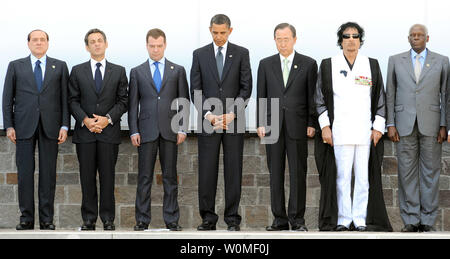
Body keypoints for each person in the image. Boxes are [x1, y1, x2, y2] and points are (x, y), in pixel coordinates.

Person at [315, 22, 392, 232]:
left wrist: (378, 127)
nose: (351, 40)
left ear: (360, 40)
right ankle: (343, 218)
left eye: (355, 36)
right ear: (341, 40)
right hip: (339, 131)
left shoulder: (371, 64)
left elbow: (380, 100)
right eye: (347, 36)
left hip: (364, 132)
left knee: (363, 178)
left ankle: (359, 219)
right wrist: (325, 127)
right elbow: (319, 99)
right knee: (341, 178)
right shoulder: (329, 64)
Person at [2, 29, 70, 230]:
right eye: (35, 40)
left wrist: (65, 125)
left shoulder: (60, 66)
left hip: (51, 126)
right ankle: (26, 218)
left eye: (42, 40)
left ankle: (47, 219)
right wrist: (9, 125)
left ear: (48, 43)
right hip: (23, 126)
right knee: (24, 173)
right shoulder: (15, 66)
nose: (38, 43)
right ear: (28, 43)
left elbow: (65, 99)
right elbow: (7, 99)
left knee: (48, 174)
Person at [190, 14, 252, 231]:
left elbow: (246, 88)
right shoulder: (199, 55)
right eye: (215, 32)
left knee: (233, 171)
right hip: (209, 122)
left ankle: (233, 219)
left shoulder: (242, 53)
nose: (218, 36)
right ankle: (208, 218)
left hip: (234, 122)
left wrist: (233, 113)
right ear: (210, 30)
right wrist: (209, 115)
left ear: (230, 31)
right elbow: (195, 90)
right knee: (207, 171)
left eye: (222, 32)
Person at [386, 24, 449, 232]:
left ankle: (428, 220)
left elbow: (446, 96)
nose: (416, 38)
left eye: (420, 35)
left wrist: (444, 124)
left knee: (430, 173)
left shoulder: (442, 61)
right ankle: (411, 219)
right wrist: (390, 123)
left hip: (432, 125)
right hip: (404, 124)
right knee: (406, 172)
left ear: (427, 38)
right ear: (408, 38)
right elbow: (390, 93)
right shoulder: (395, 60)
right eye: (412, 35)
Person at [256, 23, 317, 231]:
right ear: (274, 40)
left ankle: (297, 220)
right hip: (272, 125)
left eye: (286, 39)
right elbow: (261, 96)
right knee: (275, 174)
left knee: (298, 173)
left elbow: (312, 97)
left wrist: (312, 122)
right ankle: (279, 219)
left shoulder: (308, 64)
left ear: (295, 39)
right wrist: (260, 123)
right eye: (278, 39)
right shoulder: (265, 64)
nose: (282, 43)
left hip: (298, 125)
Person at [128, 28, 190, 231]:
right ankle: (142, 220)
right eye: (152, 46)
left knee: (170, 177)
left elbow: (183, 101)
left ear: (165, 45)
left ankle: (172, 220)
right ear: (147, 46)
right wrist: (134, 130)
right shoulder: (137, 72)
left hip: (170, 130)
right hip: (145, 131)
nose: (155, 49)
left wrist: (182, 128)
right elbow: (132, 104)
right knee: (144, 177)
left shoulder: (178, 70)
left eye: (159, 45)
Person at [68, 29, 128, 231]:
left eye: (99, 41)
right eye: (92, 42)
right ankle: (89, 219)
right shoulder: (77, 71)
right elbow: (72, 100)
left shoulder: (119, 71)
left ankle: (108, 219)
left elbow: (123, 100)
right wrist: (85, 120)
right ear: (87, 46)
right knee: (87, 178)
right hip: (85, 134)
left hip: (108, 134)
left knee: (108, 178)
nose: (96, 44)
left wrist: (107, 119)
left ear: (106, 44)